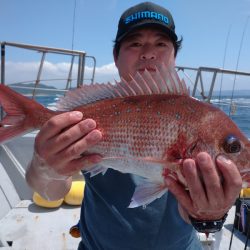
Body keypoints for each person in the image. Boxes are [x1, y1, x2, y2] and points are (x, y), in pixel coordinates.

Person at [25, 2, 242, 249]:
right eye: (135, 43)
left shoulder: (201, 118)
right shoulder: (89, 114)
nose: (149, 53)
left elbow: (187, 210)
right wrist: (46, 168)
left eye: (161, 43)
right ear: (116, 58)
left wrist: (208, 214)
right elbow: (51, 193)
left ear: (174, 56)